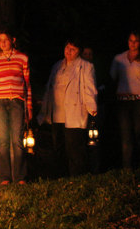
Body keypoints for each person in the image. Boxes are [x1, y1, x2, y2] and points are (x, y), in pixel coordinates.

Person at [39, 39, 98, 176]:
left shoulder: (86, 66)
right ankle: (61, 178)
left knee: (75, 149)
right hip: (57, 113)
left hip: (74, 112)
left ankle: (77, 178)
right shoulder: (57, 66)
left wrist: (91, 106)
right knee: (59, 148)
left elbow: (89, 88)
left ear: (79, 52)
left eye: (73, 49)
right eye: (67, 47)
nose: (69, 51)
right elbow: (49, 88)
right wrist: (44, 109)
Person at [0, 29, 32, 184]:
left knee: (17, 139)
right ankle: (5, 177)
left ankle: (20, 177)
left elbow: (27, 84)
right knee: (3, 139)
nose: (3, 43)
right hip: (0, 101)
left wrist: (29, 107)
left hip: (17, 100)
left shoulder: (22, 58)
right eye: (0, 40)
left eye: (5, 39)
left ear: (12, 40)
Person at [109, 31, 140, 168]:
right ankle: (127, 168)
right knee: (126, 134)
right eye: (130, 40)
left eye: (136, 41)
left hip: (139, 100)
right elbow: (111, 79)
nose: (133, 43)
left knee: (138, 133)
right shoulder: (119, 59)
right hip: (123, 100)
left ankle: (137, 163)